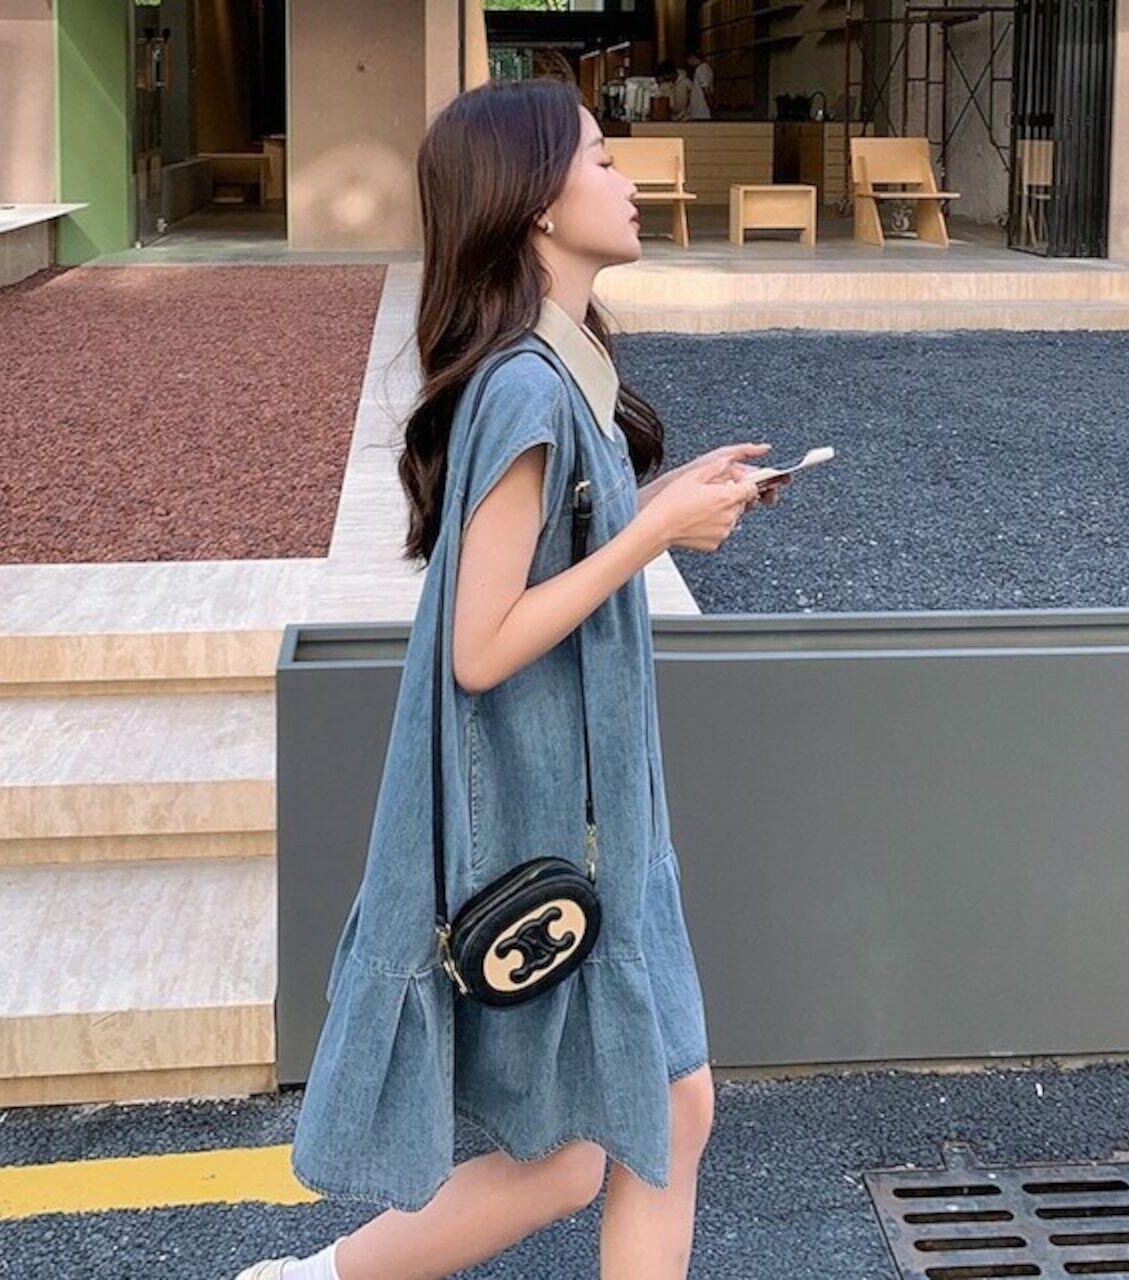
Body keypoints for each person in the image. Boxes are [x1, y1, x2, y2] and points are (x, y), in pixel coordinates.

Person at [234, 77, 788, 1280]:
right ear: (536, 202)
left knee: (627, 1129)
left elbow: (545, 555)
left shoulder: (557, 367)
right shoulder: (526, 386)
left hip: (592, 814)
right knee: (626, 1130)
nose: (626, 179)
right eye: (599, 158)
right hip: (554, 822)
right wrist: (651, 534)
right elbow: (479, 643)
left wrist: (658, 500)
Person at [686, 52, 715, 119]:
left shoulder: (702, 68)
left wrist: (710, 104)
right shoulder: (704, 68)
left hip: (701, 110)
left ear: (692, 58)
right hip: (700, 109)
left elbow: (706, 88)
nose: (688, 64)